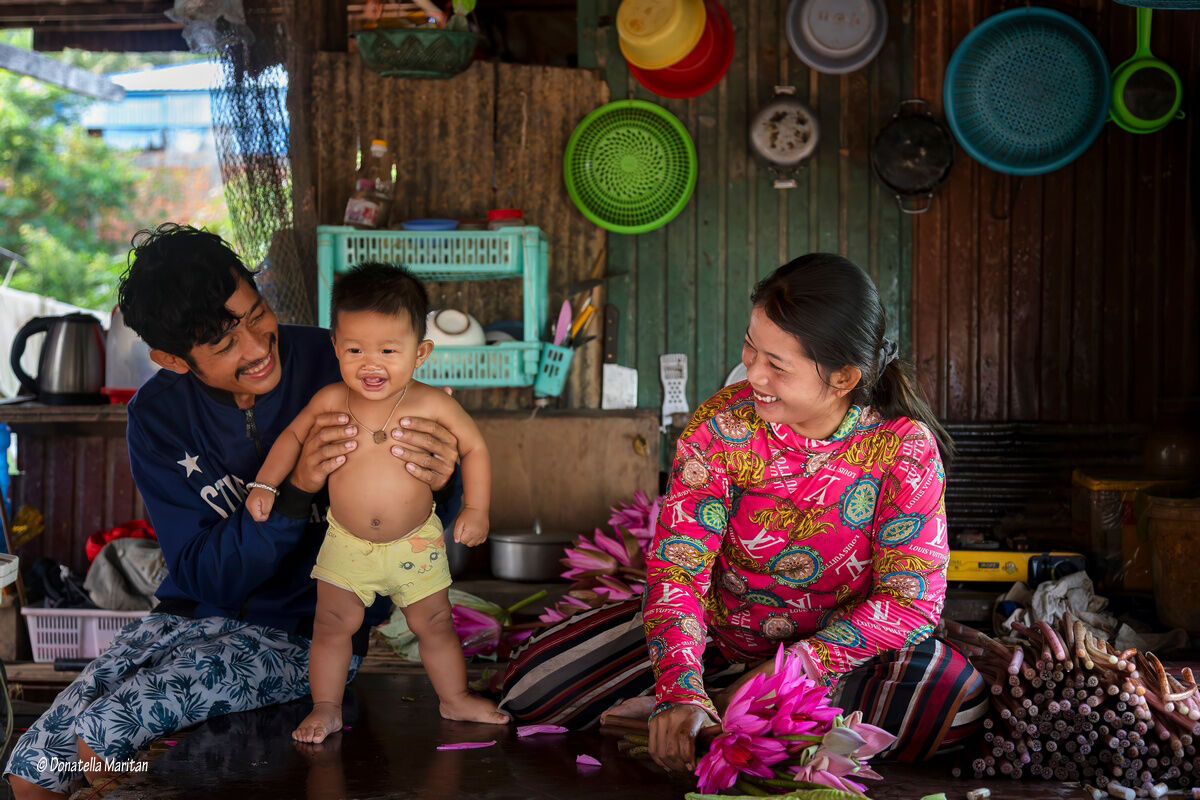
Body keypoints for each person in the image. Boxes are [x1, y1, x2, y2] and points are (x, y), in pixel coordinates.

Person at [4, 224, 462, 799]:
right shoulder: (158, 416)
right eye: (223, 345)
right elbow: (200, 572)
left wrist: (444, 480)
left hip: (301, 636)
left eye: (255, 314)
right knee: (33, 769)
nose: (255, 347)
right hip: (185, 620)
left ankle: (129, 781)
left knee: (101, 739)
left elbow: (438, 504)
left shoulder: (342, 362)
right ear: (170, 359)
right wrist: (294, 491)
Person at [498, 253, 985, 771]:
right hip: (718, 638)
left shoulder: (903, 449)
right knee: (532, 684)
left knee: (955, 704)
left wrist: (796, 667)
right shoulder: (723, 426)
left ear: (844, 377)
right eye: (751, 346)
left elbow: (910, 605)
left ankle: (729, 719)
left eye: (778, 364)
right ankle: (728, 718)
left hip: (837, 658)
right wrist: (681, 688)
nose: (752, 373)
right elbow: (678, 571)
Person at [246, 262, 507, 743]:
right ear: (335, 347)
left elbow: (475, 448)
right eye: (355, 349)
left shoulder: (432, 403)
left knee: (435, 625)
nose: (371, 364)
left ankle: (455, 699)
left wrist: (476, 509)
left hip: (415, 542)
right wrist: (265, 485)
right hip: (347, 543)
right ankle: (325, 707)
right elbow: (290, 438)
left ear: (421, 352)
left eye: (389, 350)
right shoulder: (329, 398)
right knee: (330, 626)